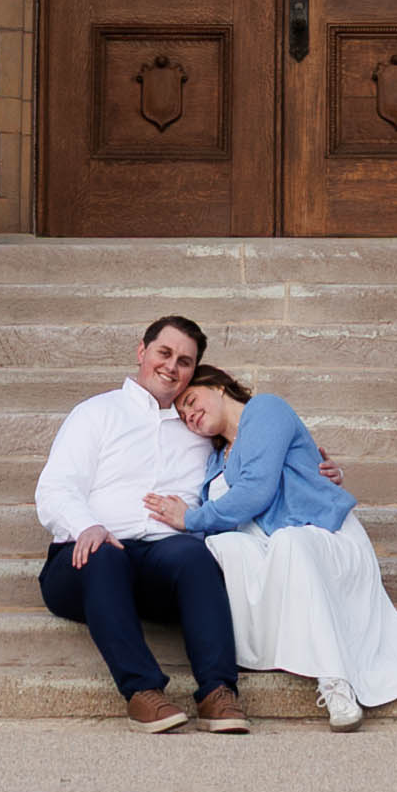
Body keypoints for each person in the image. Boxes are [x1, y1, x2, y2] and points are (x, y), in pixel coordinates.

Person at [147, 363, 397, 729]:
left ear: (219, 387)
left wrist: (188, 518)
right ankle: (243, 653)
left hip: (323, 537)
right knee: (224, 548)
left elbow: (255, 492)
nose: (189, 414)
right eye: (183, 415)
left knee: (290, 542)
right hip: (273, 555)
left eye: (191, 400)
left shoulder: (265, 409)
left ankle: (336, 681)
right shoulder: (213, 460)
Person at [30, 310, 246, 730]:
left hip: (159, 566)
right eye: (164, 353)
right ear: (141, 352)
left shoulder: (198, 427)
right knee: (104, 554)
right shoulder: (97, 413)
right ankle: (143, 692)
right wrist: (86, 526)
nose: (171, 366)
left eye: (185, 361)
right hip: (85, 561)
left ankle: (219, 692)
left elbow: (256, 447)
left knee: (193, 555)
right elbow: (55, 488)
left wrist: (313, 465)